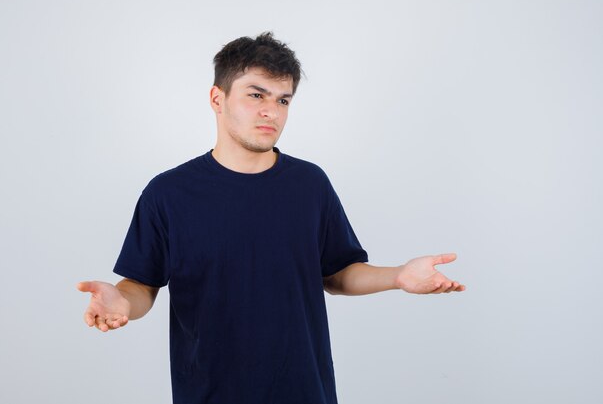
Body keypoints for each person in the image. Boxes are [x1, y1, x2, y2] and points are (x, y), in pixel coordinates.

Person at [77, 32, 466, 404]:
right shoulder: (168, 194)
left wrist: (398, 276)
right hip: (210, 393)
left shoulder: (309, 184)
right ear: (217, 98)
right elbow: (142, 286)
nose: (271, 111)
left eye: (283, 100)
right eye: (256, 95)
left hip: (304, 391)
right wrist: (121, 303)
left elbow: (338, 273)